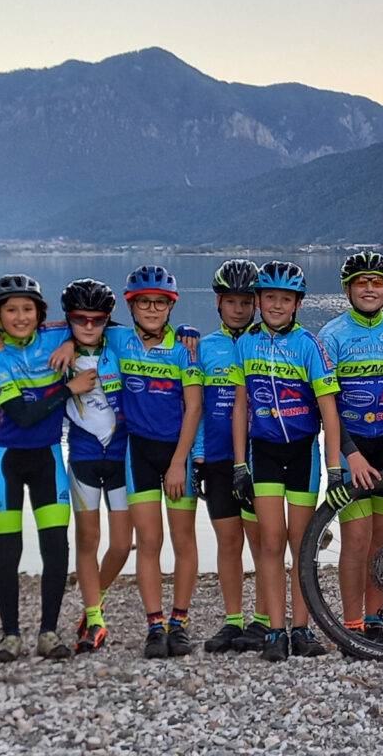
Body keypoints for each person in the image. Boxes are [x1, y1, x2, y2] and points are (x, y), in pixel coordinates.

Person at [231, 261, 343, 662]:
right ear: (259, 301)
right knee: (270, 542)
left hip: (302, 453)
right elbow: (241, 405)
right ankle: (276, 630)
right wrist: (238, 464)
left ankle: (302, 627)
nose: (277, 305)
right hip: (263, 453)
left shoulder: (309, 345)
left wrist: (334, 467)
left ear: (297, 304)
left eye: (285, 299)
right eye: (270, 298)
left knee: (301, 544)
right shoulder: (245, 344)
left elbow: (329, 409)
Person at [0, 275, 95, 661]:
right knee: (7, 550)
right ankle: (10, 635)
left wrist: (69, 341)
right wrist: (68, 389)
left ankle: (48, 632)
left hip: (47, 458)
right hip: (4, 459)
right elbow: (23, 415)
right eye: (10, 310)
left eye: (27, 309)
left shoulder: (53, 336)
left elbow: (99, 324)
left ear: (40, 314)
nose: (20, 316)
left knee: (55, 547)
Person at [318, 251, 383, 642]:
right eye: (362, 281)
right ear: (348, 289)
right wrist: (350, 452)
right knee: (356, 540)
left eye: (376, 282)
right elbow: (327, 405)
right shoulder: (331, 335)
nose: (369, 288)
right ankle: (352, 624)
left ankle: (374, 622)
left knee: (381, 541)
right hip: (351, 447)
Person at [111, 266, 203, 659]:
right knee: (148, 541)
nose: (152, 309)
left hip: (175, 453)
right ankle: (154, 624)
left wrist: (180, 461)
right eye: (144, 302)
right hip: (138, 453)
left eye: (159, 303)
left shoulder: (185, 350)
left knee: (183, 540)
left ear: (170, 307)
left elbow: (194, 406)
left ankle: (179, 622)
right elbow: (79, 325)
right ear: (132, 306)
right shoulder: (117, 340)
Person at [194, 260, 271, 654]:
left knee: (261, 543)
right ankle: (232, 620)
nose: (239, 309)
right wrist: (197, 457)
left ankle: (262, 620)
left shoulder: (265, 343)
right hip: (218, 457)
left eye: (246, 302)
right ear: (218, 304)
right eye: (231, 302)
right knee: (228, 542)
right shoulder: (205, 347)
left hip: (261, 456)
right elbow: (198, 407)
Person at [61, 279, 131, 654]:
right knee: (88, 540)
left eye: (97, 319)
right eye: (79, 320)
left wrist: (185, 332)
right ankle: (94, 618)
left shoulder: (118, 343)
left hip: (121, 455)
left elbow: (147, 331)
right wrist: (65, 341)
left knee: (122, 544)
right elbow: (24, 326)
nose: (89, 326)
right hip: (85, 456)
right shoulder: (58, 350)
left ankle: (96, 595)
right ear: (68, 318)